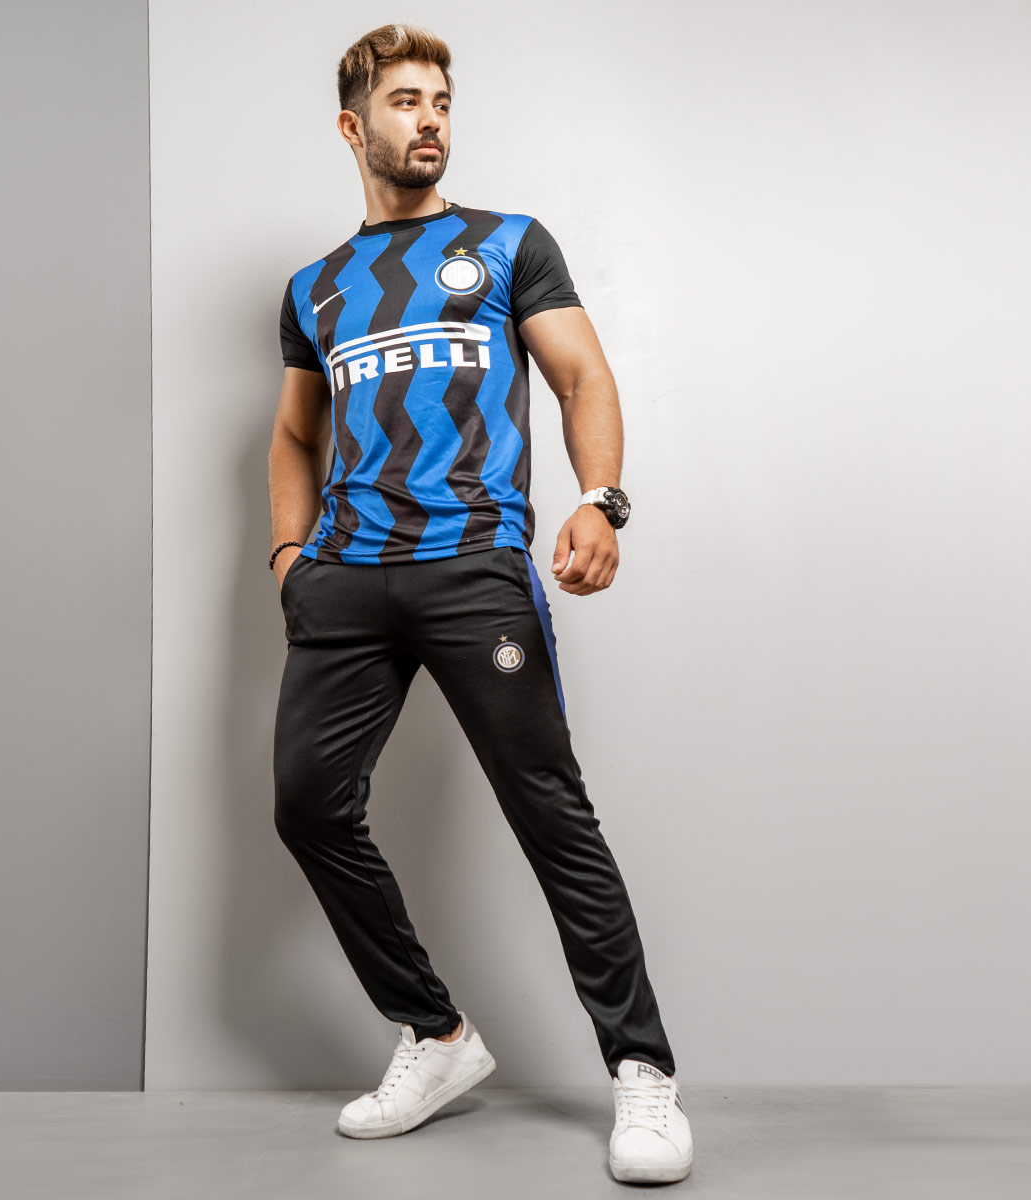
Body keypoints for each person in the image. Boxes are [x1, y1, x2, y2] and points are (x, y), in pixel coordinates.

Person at [266, 22, 693, 1185]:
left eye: (442, 101)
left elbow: (581, 375)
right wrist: (290, 556)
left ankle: (642, 1072)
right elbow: (295, 434)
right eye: (406, 101)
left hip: (473, 565)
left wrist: (601, 500)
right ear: (354, 126)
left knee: (550, 815)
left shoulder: (506, 245)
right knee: (307, 806)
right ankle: (438, 1035)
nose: (431, 120)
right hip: (346, 578)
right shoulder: (315, 287)